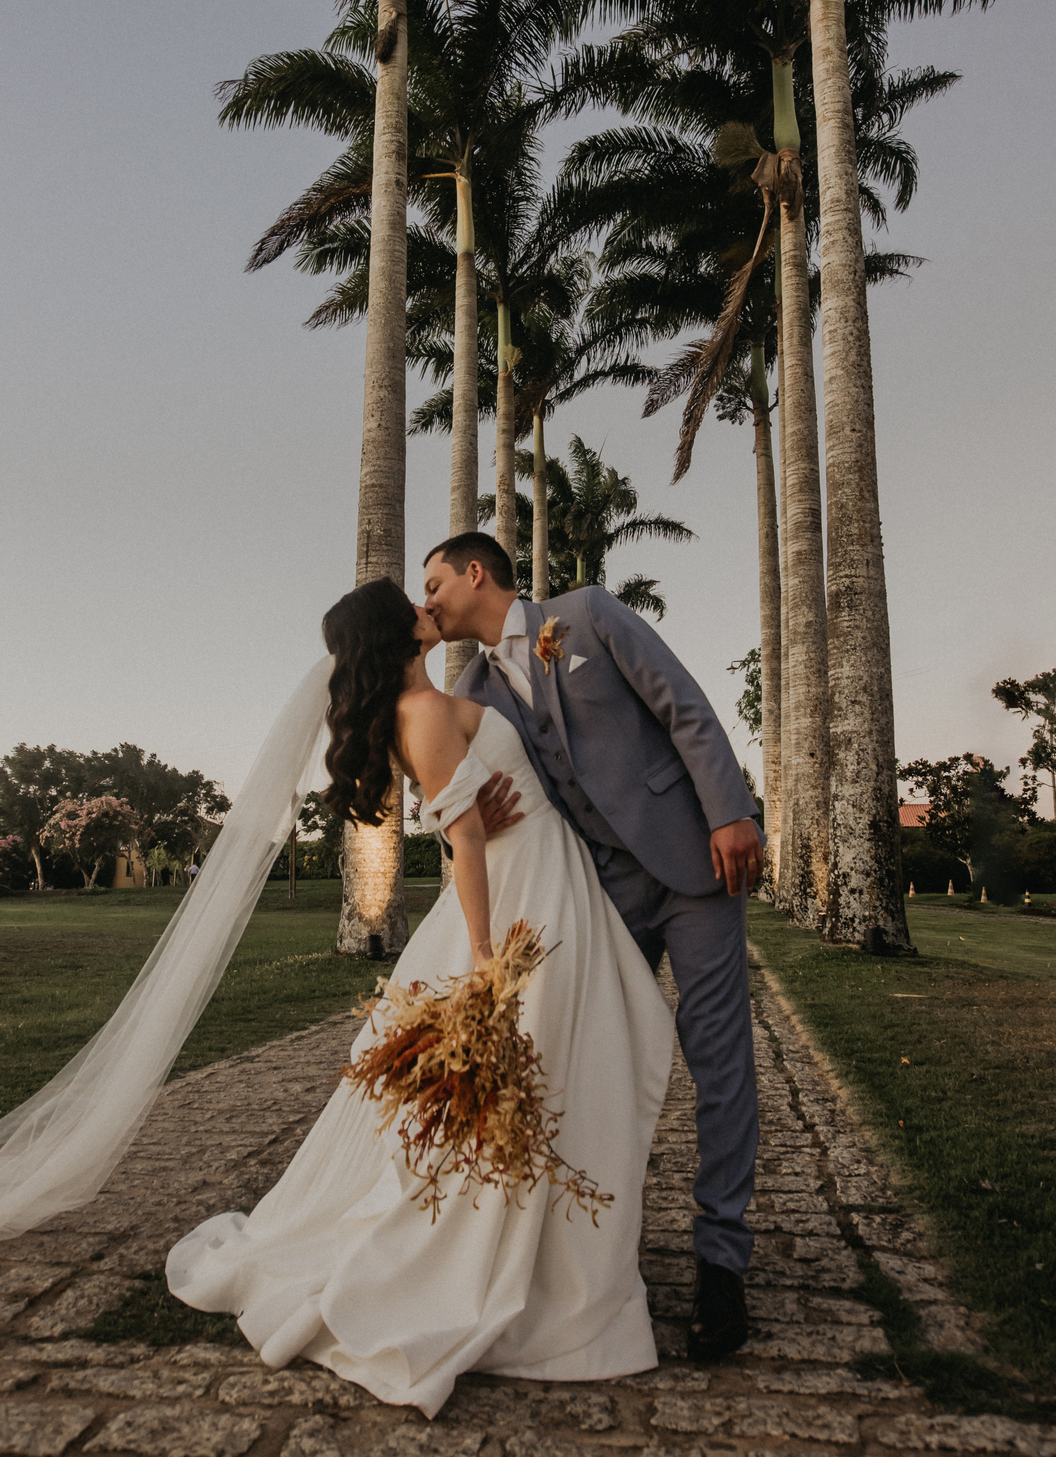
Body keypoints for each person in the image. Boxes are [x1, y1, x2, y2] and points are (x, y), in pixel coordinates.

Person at [165, 578, 676, 1416]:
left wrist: (488, 811)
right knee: (564, 1067)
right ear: (393, 633)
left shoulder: (430, 706)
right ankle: (519, 1263)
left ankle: (553, 1245)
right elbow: (467, 841)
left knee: (582, 1060)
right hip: (519, 897)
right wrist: (483, 958)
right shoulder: (427, 713)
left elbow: (468, 815)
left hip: (540, 869)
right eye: (413, 602)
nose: (427, 607)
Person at [421, 532, 763, 1361]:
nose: (424, 598)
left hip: (691, 863)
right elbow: (458, 805)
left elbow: (683, 704)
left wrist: (729, 811)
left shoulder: (587, 614)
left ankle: (722, 1259)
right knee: (594, 1059)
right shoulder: (468, 687)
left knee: (718, 1056)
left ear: (477, 573)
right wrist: (468, 825)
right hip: (598, 891)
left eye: (432, 582)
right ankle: (596, 1253)